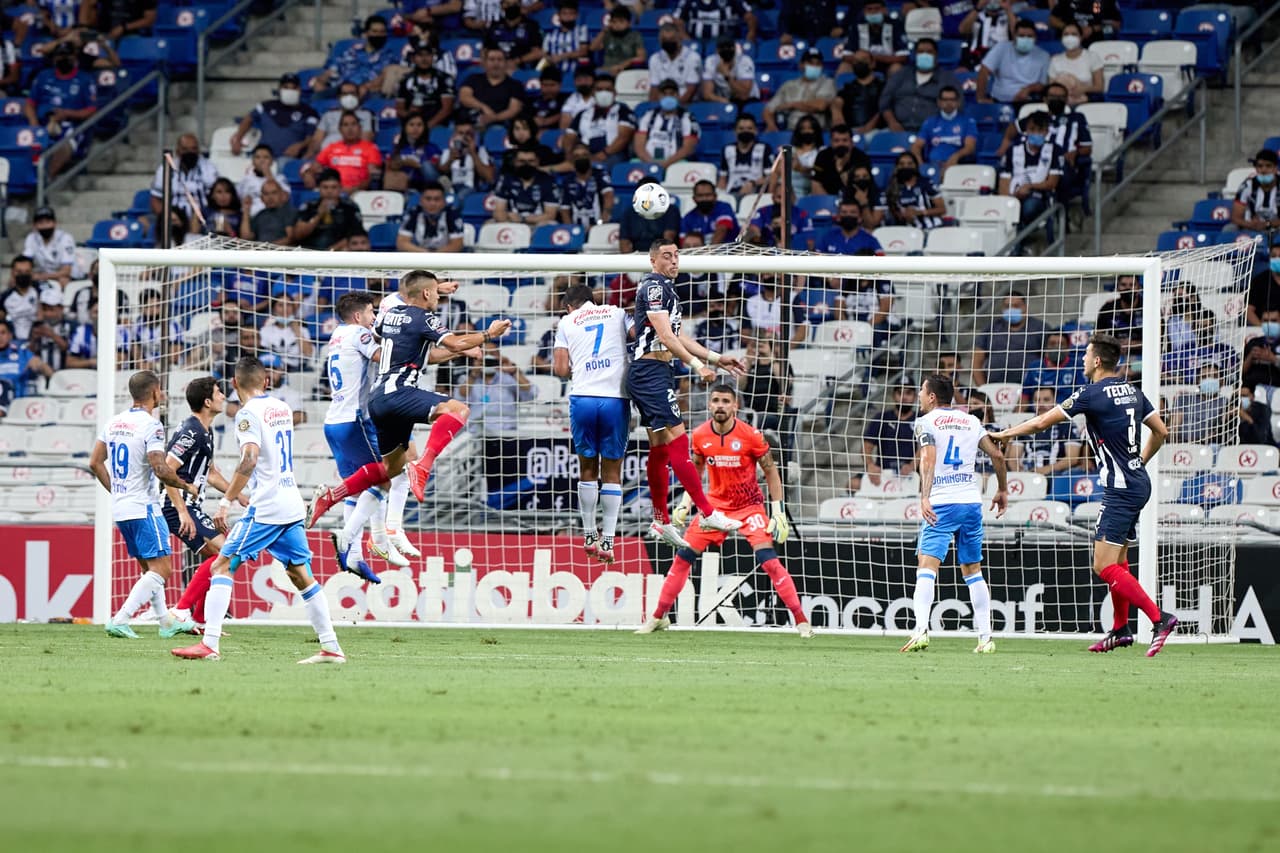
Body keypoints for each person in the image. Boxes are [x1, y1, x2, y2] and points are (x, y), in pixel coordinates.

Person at [992, 333, 1179, 656]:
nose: (1081, 360)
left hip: (1121, 489)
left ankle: (1158, 618)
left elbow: (1040, 424)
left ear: (1096, 360)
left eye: (1085, 355)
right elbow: (1161, 431)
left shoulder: (1091, 394)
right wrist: (1139, 462)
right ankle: (1120, 629)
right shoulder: (1133, 392)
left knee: (1102, 565)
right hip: (1137, 482)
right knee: (1119, 560)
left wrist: (1005, 432)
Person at [171, 356, 347, 663]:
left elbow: (249, 458)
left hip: (266, 507)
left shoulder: (247, 414)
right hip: (291, 501)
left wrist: (226, 500)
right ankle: (331, 646)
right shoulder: (281, 407)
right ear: (266, 382)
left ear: (235, 384)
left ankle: (209, 644)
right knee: (299, 573)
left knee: (221, 566)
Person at [307, 271, 511, 526]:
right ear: (426, 293)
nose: (438, 297)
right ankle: (422, 467)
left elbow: (395, 305)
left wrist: (436, 290)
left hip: (377, 401)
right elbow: (454, 343)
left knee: (389, 470)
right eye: (435, 292)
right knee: (458, 410)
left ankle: (331, 496)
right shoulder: (424, 317)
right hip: (399, 392)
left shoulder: (387, 318)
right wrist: (489, 334)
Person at [636, 383, 813, 637]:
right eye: (716, 400)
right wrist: (686, 503)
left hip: (749, 508)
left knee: (770, 562)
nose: (720, 405)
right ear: (709, 404)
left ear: (735, 406)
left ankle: (801, 621)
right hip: (714, 509)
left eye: (725, 401)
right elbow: (694, 470)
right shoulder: (698, 435)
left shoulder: (751, 435)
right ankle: (657, 617)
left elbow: (771, 470)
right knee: (682, 558)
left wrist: (778, 511)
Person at [626, 239, 747, 547]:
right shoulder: (654, 287)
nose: (674, 260)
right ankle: (706, 511)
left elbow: (678, 335)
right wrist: (696, 366)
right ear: (654, 261)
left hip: (656, 374)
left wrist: (716, 358)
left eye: (677, 255)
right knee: (681, 443)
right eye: (667, 256)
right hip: (650, 375)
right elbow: (665, 336)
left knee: (660, 449)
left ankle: (660, 521)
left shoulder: (667, 289)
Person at [900, 373, 1008, 653]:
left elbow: (928, 457)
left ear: (932, 396)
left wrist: (924, 496)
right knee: (973, 570)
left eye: (922, 392)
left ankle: (921, 630)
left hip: (942, 502)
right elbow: (997, 455)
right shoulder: (971, 421)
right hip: (971, 502)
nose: (920, 396)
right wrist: (1002, 489)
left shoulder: (925, 422)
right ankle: (985, 638)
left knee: (926, 566)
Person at [89, 370, 200, 640]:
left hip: (122, 507)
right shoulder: (152, 426)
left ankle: (165, 621)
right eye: (160, 390)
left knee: (150, 570)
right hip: (144, 506)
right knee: (163, 570)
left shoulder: (114, 422)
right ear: (154, 393)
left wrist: (117, 490)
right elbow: (161, 468)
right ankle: (121, 618)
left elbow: (94, 462)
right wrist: (186, 486)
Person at [321, 292, 412, 585]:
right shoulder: (360, 333)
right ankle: (351, 538)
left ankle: (356, 556)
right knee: (388, 477)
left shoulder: (338, 333)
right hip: (353, 421)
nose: (374, 318)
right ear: (359, 316)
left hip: (333, 422)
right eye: (372, 313)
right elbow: (381, 356)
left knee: (360, 490)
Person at [160, 378, 248, 629]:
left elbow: (209, 473)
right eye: (219, 393)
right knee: (225, 554)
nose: (224, 397)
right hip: (177, 505)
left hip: (191, 505)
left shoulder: (204, 430)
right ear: (207, 402)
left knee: (224, 556)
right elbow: (167, 470)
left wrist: (236, 494)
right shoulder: (192, 431)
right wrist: (182, 511)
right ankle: (181, 612)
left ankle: (197, 619)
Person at [552, 284, 631, 561]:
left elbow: (561, 370)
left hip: (583, 397)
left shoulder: (566, 322)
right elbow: (637, 336)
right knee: (612, 471)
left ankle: (588, 534)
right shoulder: (617, 313)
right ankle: (608, 540)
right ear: (593, 301)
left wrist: (584, 366)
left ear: (568, 307)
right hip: (614, 398)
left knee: (587, 468)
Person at [23, 42, 96, 177]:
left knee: (63, 147)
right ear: (54, 58)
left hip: (70, 125)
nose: (63, 59)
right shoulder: (43, 76)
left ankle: (44, 182)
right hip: (42, 122)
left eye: (67, 55)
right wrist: (34, 124)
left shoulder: (84, 79)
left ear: (74, 57)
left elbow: (91, 110)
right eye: (60, 55)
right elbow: (29, 104)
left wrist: (67, 113)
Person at [998, 110, 1062, 246]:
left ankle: (1018, 244)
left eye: (1040, 130)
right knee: (1003, 209)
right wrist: (1010, 198)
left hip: (1038, 196)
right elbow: (1004, 180)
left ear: (1046, 132)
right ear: (1026, 130)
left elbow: (1052, 183)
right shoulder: (1013, 150)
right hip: (1013, 194)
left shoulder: (1055, 150)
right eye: (1032, 129)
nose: (1036, 134)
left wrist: (1029, 187)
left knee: (1029, 207)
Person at [230, 72, 317, 160]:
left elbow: (312, 137)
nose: (290, 91)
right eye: (286, 87)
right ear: (279, 89)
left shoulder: (308, 112)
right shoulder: (266, 106)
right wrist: (238, 139)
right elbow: (248, 119)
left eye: (294, 88)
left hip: (288, 159)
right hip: (263, 157)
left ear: (299, 90)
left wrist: (300, 145)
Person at [879, 39, 958, 132]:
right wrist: (892, 122)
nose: (924, 55)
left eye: (929, 52)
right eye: (920, 52)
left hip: (933, 132)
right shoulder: (900, 75)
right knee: (872, 140)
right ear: (915, 55)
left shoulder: (948, 79)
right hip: (897, 129)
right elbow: (884, 102)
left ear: (936, 55)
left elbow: (956, 107)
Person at [459, 340, 537, 432]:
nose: (488, 357)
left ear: (499, 357)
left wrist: (514, 372)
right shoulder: (468, 378)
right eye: (484, 353)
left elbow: (531, 394)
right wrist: (473, 375)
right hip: (475, 433)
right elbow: (459, 398)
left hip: (504, 432)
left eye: (493, 353)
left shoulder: (509, 378)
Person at [971, 291, 1046, 386]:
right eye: (1007, 306)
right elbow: (976, 362)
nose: (1011, 309)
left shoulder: (1040, 328)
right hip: (995, 389)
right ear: (1002, 309)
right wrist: (984, 390)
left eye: (1016, 306)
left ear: (1025, 307)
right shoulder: (991, 329)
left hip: (1029, 389)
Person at [562, 73, 636, 169]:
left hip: (612, 155)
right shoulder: (583, 114)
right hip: (585, 154)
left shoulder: (623, 111)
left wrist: (603, 154)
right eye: (599, 90)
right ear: (593, 92)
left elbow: (623, 137)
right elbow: (570, 135)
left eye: (608, 90)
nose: (603, 93)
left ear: (615, 92)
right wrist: (569, 154)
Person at [312, 14, 396, 97]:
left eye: (382, 32)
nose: (378, 35)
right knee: (317, 95)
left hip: (367, 93)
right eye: (374, 31)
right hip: (341, 90)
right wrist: (320, 80)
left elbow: (383, 80)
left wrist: (364, 88)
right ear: (366, 33)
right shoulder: (351, 52)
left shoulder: (389, 57)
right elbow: (332, 70)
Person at [977, 18, 1049, 104]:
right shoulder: (1001, 48)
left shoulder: (1044, 56)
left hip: (1028, 101)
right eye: (1021, 36)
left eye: (1030, 36)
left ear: (1035, 38)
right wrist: (981, 98)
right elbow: (984, 70)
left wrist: (1029, 89)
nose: (1026, 39)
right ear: (1014, 36)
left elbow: (1043, 84)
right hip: (999, 100)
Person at [308, 111, 383, 191]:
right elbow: (314, 167)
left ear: (360, 128)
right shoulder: (332, 147)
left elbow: (371, 176)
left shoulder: (370, 148)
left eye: (353, 124)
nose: (350, 129)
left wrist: (354, 189)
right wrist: (307, 173)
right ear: (340, 129)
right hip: (333, 191)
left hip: (359, 192)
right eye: (345, 125)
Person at [633, 78, 699, 169]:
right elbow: (639, 145)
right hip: (647, 162)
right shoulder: (648, 116)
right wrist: (650, 162)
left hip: (676, 163)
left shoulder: (687, 118)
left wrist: (666, 164)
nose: (668, 97)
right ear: (659, 96)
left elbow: (688, 148)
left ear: (678, 96)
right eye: (664, 94)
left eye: (672, 94)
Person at [764, 48, 835, 132]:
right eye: (810, 63)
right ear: (801, 65)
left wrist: (792, 105)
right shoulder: (789, 86)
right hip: (791, 131)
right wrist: (771, 125)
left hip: (817, 132)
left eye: (818, 64)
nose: (814, 66)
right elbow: (769, 109)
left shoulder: (828, 82)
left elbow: (820, 105)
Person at [911, 86, 977, 174]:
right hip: (933, 165)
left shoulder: (968, 121)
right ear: (939, 102)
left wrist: (955, 157)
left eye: (952, 99)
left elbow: (970, 147)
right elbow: (916, 146)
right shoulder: (930, 122)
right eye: (945, 100)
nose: (948, 103)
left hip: (957, 166)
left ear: (958, 102)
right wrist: (920, 165)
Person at [150, 133, 218, 219]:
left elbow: (216, 199)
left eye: (194, 148)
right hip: (173, 217)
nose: (190, 152)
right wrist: (166, 219)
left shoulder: (209, 168)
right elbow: (156, 199)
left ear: (198, 150)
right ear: (177, 151)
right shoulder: (166, 169)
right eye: (185, 149)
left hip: (203, 217)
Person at [294, 169, 364, 250]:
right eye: (325, 187)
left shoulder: (350, 207)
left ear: (340, 188)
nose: (329, 191)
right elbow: (298, 235)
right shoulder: (309, 206)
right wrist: (318, 215)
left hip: (338, 252)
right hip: (309, 251)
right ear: (319, 188)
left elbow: (356, 235)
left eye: (334, 187)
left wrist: (331, 251)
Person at [457, 46, 526, 130]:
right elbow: (464, 97)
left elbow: (514, 109)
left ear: (506, 63)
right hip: (471, 123)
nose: (496, 63)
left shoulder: (515, 85)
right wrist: (484, 107)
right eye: (492, 60)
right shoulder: (473, 79)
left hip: (500, 126)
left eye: (500, 60)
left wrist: (494, 118)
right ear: (484, 63)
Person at [491, 144, 561, 225]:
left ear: (537, 161)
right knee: (489, 224)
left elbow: (550, 215)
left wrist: (522, 219)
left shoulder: (548, 181)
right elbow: (498, 212)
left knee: (552, 224)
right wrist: (507, 218)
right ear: (515, 162)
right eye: (522, 161)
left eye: (531, 161)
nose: (526, 165)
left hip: (537, 224)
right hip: (511, 223)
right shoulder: (506, 179)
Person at [1020, 386, 1083, 474]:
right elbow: (1012, 458)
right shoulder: (1024, 426)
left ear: (1055, 401)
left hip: (1055, 475)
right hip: (1027, 476)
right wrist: (1022, 474)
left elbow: (1072, 458)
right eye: (1037, 400)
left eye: (1046, 400)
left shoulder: (1066, 425)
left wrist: (1045, 470)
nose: (1041, 404)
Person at [1168, 362, 1232, 446]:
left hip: (1206, 446)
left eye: (1214, 377)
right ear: (1198, 382)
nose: (1209, 380)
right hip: (1179, 444)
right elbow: (1173, 427)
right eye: (1204, 377)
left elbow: (1218, 430)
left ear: (1222, 381)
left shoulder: (1225, 402)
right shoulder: (1184, 399)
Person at [839, 0, 908, 78]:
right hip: (863, 65)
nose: (873, 12)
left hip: (887, 64)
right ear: (864, 11)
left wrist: (874, 58)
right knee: (844, 66)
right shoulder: (857, 26)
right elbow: (846, 56)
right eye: (869, 9)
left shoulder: (896, 25)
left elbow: (903, 56)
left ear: (884, 10)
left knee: (896, 68)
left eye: (877, 9)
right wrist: (863, 60)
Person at [306, 81, 376, 156]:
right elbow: (316, 141)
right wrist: (306, 159)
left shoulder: (367, 115)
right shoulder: (328, 115)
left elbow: (366, 141)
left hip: (352, 156)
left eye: (352, 94)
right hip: (327, 156)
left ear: (358, 96)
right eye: (345, 94)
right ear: (339, 97)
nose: (349, 97)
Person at [395, 43, 455, 126]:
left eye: (428, 55)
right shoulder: (405, 80)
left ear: (433, 58)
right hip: (413, 126)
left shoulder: (444, 79)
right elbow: (400, 109)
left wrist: (427, 127)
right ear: (413, 59)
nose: (424, 59)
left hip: (437, 126)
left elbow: (447, 109)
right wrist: (409, 115)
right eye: (420, 55)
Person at [883, 150, 946, 229]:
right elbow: (895, 214)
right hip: (908, 231)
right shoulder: (893, 188)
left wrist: (920, 212)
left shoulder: (926, 183)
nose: (906, 167)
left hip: (932, 228)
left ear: (916, 166)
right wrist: (905, 216)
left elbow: (942, 209)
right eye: (902, 164)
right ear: (897, 167)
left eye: (910, 164)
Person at [398, 181, 465, 252]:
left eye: (437, 199)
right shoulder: (413, 213)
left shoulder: (452, 214)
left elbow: (457, 245)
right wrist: (426, 254)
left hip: (445, 257)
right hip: (420, 255)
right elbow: (402, 243)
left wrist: (434, 256)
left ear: (444, 201)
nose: (432, 203)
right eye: (428, 199)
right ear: (421, 201)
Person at [558, 142, 614, 228]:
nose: (581, 158)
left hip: (599, 226)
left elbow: (608, 197)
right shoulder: (567, 181)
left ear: (590, 157)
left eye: (584, 155)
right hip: (576, 228)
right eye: (577, 156)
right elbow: (565, 210)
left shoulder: (600, 175)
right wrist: (571, 229)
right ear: (572, 160)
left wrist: (601, 223)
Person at [438, 117, 494, 203]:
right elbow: (441, 172)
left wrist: (473, 153)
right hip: (453, 185)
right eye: (460, 133)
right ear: (454, 135)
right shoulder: (448, 151)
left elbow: (489, 177)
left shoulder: (481, 151)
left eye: (468, 134)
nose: (464, 137)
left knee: (459, 196)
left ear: (474, 136)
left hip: (470, 187)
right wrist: (450, 159)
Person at [618, 176, 680, 254]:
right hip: (636, 257)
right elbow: (624, 243)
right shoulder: (629, 213)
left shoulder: (671, 210)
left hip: (661, 256)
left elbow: (667, 241)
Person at [384, 111, 441, 193]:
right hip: (402, 184)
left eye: (419, 125)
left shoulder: (432, 148)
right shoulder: (397, 147)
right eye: (411, 125)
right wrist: (403, 163)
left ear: (424, 128)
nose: (415, 128)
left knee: (426, 165)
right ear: (405, 127)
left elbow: (433, 170)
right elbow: (388, 167)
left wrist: (417, 165)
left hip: (425, 184)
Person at [718, 113, 772, 198]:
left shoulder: (764, 148)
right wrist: (721, 196)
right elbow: (722, 178)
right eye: (741, 128)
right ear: (735, 131)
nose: (745, 131)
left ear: (755, 130)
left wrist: (753, 183)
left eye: (749, 128)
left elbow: (770, 177)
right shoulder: (727, 149)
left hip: (755, 194)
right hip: (731, 194)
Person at [22, 206, 77, 289]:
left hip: (66, 276)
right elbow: (24, 262)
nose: (45, 226)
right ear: (35, 225)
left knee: (64, 281)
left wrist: (40, 276)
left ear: (55, 223)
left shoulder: (65, 238)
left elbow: (66, 271)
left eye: (48, 222)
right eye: (40, 223)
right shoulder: (32, 238)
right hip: (44, 274)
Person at [1048, 22, 1102, 105]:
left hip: (1086, 102)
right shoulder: (1055, 60)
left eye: (1074, 34)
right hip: (1061, 104)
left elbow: (1099, 87)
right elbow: (1051, 88)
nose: (1070, 37)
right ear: (1061, 38)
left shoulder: (1092, 57)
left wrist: (1083, 89)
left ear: (1081, 37)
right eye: (1066, 34)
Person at [830, 52, 883, 135]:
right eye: (856, 61)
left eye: (863, 60)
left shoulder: (883, 87)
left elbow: (885, 108)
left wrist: (869, 127)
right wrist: (837, 116)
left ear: (872, 64)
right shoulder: (848, 88)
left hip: (877, 131)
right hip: (852, 131)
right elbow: (837, 103)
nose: (859, 63)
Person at [649, 21, 700, 104]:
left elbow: (691, 90)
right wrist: (654, 108)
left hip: (687, 104)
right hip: (662, 104)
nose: (668, 42)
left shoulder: (693, 58)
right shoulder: (655, 59)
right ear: (660, 41)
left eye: (671, 39)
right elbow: (654, 88)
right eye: (665, 40)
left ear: (679, 38)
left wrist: (674, 108)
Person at [701, 33, 758, 105]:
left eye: (729, 47)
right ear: (717, 49)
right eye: (722, 47)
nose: (726, 50)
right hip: (724, 100)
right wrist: (725, 101)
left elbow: (744, 95)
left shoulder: (744, 60)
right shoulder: (711, 61)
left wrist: (727, 76)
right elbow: (707, 94)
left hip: (748, 101)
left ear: (734, 47)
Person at [1231, 149, 1280, 233]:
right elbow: (1235, 217)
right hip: (1251, 228)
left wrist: (1268, 224)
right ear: (1256, 169)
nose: (1264, 170)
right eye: (1260, 166)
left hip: (1277, 228)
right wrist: (1251, 225)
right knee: (1229, 229)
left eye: (1268, 166)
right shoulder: (1247, 186)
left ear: (1275, 168)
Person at [26, 289, 74, 372]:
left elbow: (73, 351)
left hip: (65, 373)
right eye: (44, 309)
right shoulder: (36, 325)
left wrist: (52, 335)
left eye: (51, 309)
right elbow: (30, 352)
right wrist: (33, 340)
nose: (47, 314)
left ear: (61, 308)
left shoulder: (71, 325)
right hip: (41, 374)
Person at [589, 6, 646, 77]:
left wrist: (622, 66)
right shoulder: (607, 35)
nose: (617, 25)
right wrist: (603, 32)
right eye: (614, 22)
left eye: (621, 21)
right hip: (607, 70)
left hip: (626, 70)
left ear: (629, 23)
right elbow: (593, 48)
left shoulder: (635, 36)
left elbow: (641, 57)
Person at [486, 0, 543, 69]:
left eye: (515, 4)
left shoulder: (531, 25)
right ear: (502, 5)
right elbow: (485, 49)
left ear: (520, 5)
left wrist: (517, 61)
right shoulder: (494, 25)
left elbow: (537, 52)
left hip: (520, 68)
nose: (511, 7)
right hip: (496, 67)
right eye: (508, 4)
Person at [814, 198, 883, 255]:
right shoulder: (827, 237)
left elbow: (881, 264)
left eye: (853, 212)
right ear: (838, 217)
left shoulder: (870, 240)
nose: (848, 215)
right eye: (844, 212)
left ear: (860, 218)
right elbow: (815, 261)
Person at [681, 179, 739, 245]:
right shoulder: (688, 218)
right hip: (699, 253)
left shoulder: (724, 208)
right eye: (700, 196)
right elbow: (684, 243)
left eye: (708, 195)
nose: (704, 199)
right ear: (694, 198)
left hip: (729, 251)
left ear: (715, 196)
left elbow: (722, 230)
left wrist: (710, 253)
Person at [959, 0, 1013, 70]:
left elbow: (1016, 34)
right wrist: (978, 7)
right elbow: (962, 30)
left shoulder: (1007, 16)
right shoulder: (977, 16)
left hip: (1002, 62)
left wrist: (1008, 10)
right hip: (976, 59)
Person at [542, 0, 591, 78]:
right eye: (564, 13)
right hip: (555, 74)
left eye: (571, 13)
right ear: (559, 15)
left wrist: (561, 56)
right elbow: (545, 54)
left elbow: (583, 52)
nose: (568, 16)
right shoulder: (550, 35)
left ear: (577, 15)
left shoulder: (582, 31)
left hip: (577, 73)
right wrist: (550, 59)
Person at [241, 179, 298, 245]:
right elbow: (246, 237)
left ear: (282, 195)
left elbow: (290, 238)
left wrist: (266, 248)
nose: (270, 197)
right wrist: (246, 210)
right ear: (262, 198)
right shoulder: (260, 215)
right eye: (266, 194)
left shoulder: (289, 211)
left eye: (274, 193)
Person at [1, 257, 40, 342]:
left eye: (27, 271)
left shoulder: (40, 291)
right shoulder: (5, 297)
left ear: (32, 272)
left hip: (37, 340)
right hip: (13, 343)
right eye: (19, 272)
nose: (23, 275)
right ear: (12, 273)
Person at [1049, 0, 1121, 44]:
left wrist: (1093, 29)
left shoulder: (1107, 2)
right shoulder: (1066, 1)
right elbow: (1052, 20)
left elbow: (1117, 24)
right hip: (1069, 40)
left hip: (1097, 40)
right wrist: (1070, 29)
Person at [1242, 309, 1280, 390]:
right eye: (1265, 321)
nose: (1269, 324)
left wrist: (1273, 359)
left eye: (1273, 321)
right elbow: (1240, 372)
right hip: (1252, 390)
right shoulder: (1253, 342)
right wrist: (1251, 357)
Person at [1247, 242, 1280, 326]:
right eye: (1273, 256)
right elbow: (1249, 310)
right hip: (1263, 328)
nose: (1277, 259)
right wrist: (1261, 329)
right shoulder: (1259, 281)